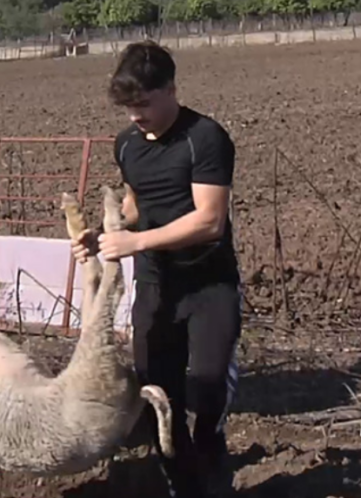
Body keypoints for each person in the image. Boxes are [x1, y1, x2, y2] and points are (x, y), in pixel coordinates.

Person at [71, 41, 241, 498]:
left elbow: (209, 220)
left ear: (170, 89)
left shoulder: (204, 138)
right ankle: (184, 486)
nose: (135, 116)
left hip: (209, 284)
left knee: (207, 389)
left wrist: (137, 241)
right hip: (155, 286)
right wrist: (104, 234)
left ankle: (212, 450)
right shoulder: (126, 144)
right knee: (157, 396)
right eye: (127, 107)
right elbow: (135, 206)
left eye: (143, 103)